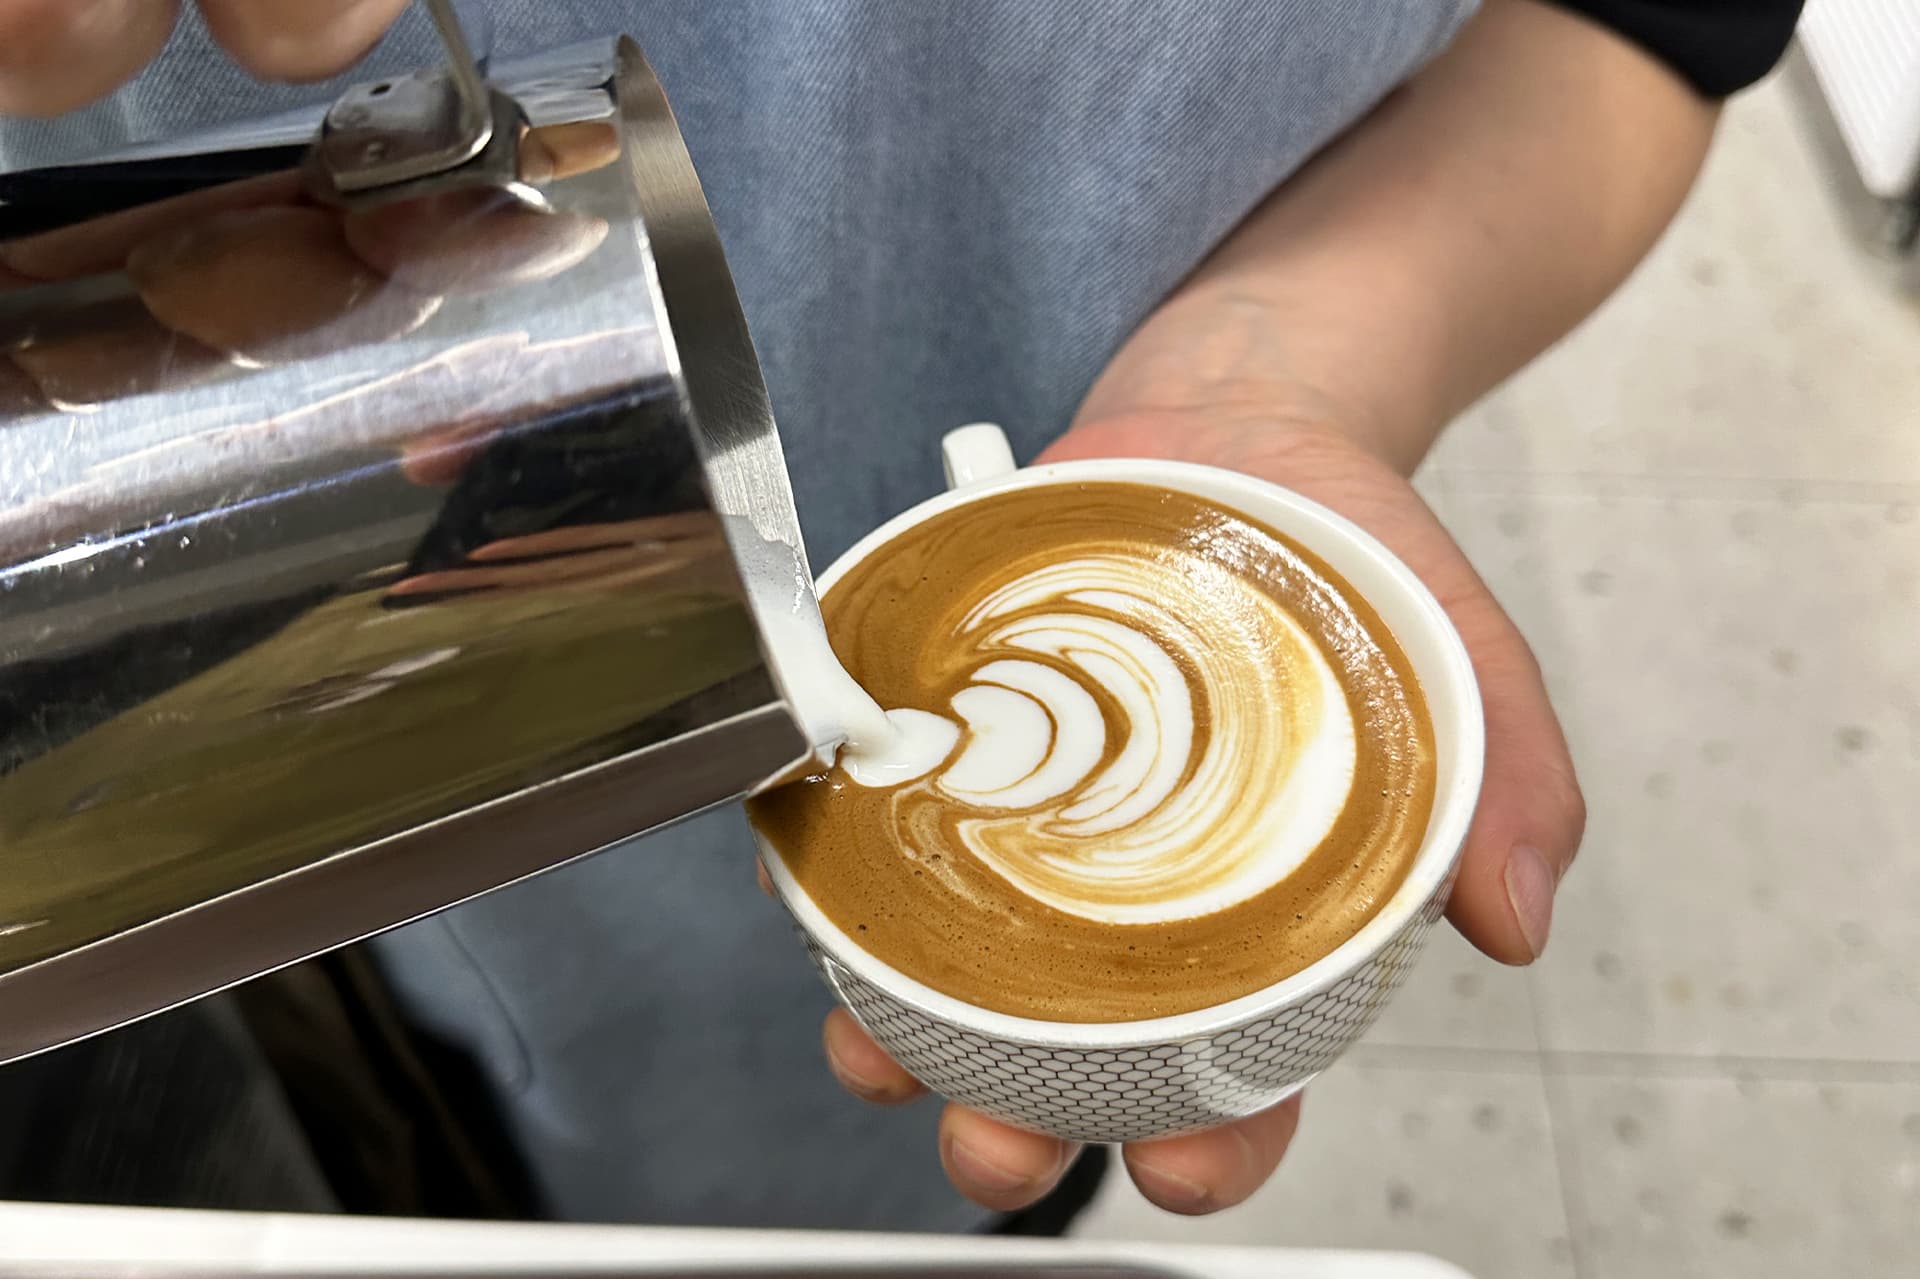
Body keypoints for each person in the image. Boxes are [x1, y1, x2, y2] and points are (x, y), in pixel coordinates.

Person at [0, 0, 1801, 1234]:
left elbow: (1653, 27)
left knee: (963, 1162)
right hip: (370, 694)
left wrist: (1300, 365)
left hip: (1100, 531)